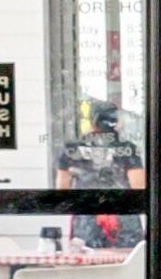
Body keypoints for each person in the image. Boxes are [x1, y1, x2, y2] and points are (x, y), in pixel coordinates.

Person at [55, 103, 147, 250]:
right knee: (126, 261)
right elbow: (139, 187)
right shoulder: (127, 148)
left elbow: (62, 189)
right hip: (121, 216)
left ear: (92, 120)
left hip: (86, 216)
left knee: (89, 266)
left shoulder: (72, 148)